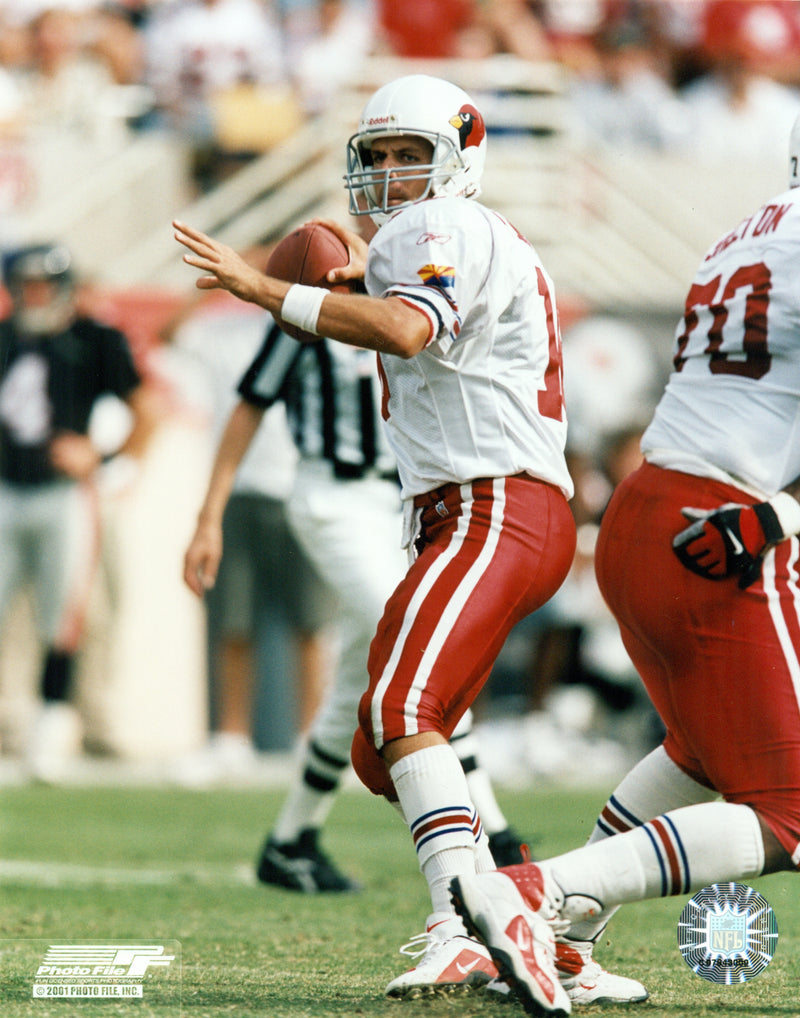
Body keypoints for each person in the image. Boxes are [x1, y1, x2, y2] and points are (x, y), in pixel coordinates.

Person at [173, 72, 641, 1003]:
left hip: (494, 504)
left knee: (399, 716)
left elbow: (404, 329)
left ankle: (461, 924)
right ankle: (541, 940)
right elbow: (405, 316)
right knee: (381, 742)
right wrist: (349, 278)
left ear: (457, 158)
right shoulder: (437, 235)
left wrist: (267, 289)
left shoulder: (445, 227)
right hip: (472, 509)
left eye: (408, 155)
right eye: (377, 155)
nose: (389, 174)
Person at [447, 112, 800, 1016]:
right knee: (790, 809)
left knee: (700, 753)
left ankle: (563, 942)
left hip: (654, 510)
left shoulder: (745, 233)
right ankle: (529, 894)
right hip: (721, 527)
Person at [185, 303, 528, 891]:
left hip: (398, 505)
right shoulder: (304, 322)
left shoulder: (396, 312)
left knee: (354, 683)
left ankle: (290, 840)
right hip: (332, 499)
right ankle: (494, 831)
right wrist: (209, 514)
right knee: (424, 643)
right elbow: (248, 406)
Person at [0, 242, 159, 781]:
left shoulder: (95, 340)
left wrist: (108, 459)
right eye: (27, 286)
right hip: (5, 489)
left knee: (62, 615)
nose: (35, 296)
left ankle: (49, 725)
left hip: (62, 493)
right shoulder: (4, 338)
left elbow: (147, 409)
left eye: (44, 285)